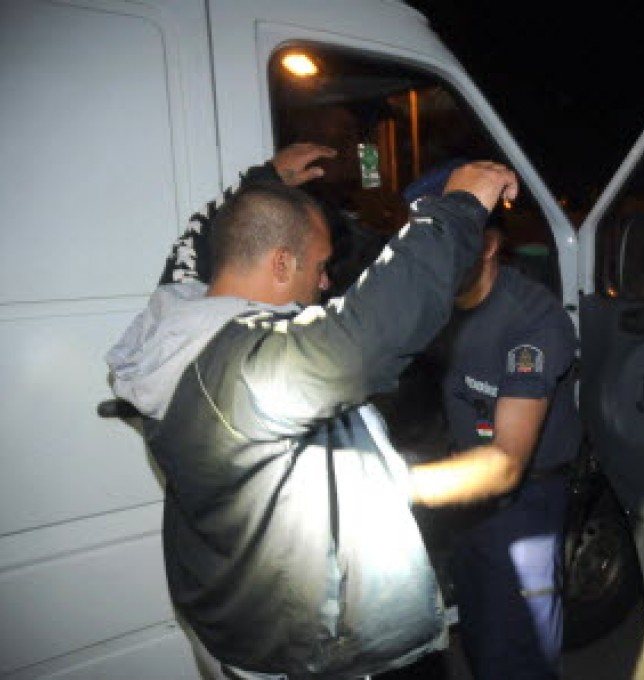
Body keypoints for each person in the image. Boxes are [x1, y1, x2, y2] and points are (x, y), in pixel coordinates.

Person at [105, 142, 519, 679]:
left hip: (232, 623)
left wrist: (266, 178)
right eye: (321, 267)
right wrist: (458, 207)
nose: (325, 283)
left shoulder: (172, 319)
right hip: (304, 653)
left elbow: (190, 246)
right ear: (281, 263)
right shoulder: (247, 368)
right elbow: (368, 336)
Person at [397, 162, 583, 680]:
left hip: (525, 505)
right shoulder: (438, 301)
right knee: (478, 637)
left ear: (487, 246)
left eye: (446, 240)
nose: (430, 257)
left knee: (520, 655)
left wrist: (387, 486)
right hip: (465, 491)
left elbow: (505, 465)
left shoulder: (532, 321)